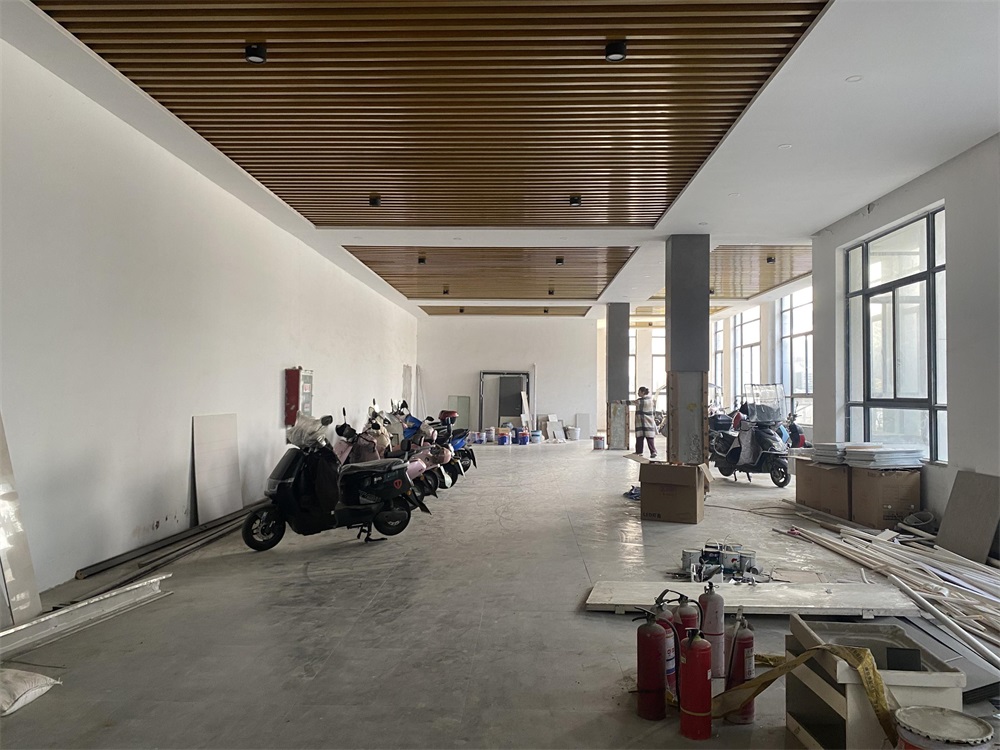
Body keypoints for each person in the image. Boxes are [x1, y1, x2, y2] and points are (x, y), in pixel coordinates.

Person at [633, 386, 657, 458]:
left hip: (642, 423)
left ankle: (639, 452)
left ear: (643, 392)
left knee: (640, 438)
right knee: (649, 438)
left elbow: (630, 402)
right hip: (649, 423)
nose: (638, 393)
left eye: (639, 392)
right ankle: (653, 452)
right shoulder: (651, 400)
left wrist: (620, 402)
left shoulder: (640, 401)